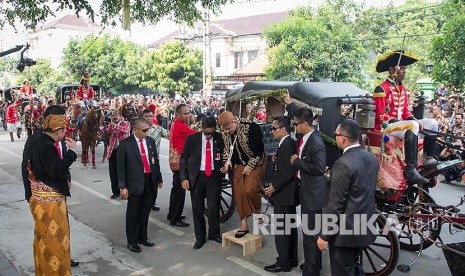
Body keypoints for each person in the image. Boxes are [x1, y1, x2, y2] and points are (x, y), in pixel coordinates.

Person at [21, 105, 81, 268]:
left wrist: (66, 179)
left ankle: (63, 258)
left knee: (57, 235)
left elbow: (58, 166)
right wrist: (29, 194)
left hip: (55, 192)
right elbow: (28, 166)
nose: (65, 121)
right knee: (50, 238)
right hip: (47, 198)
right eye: (62, 118)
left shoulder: (51, 137)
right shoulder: (39, 140)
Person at [317, 119, 379, 276]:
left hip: (346, 232)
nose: (336, 137)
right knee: (353, 266)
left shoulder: (343, 163)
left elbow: (336, 203)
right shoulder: (371, 157)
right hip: (365, 225)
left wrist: (325, 235)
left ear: (342, 138)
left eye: (336, 134)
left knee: (342, 270)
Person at [373, 50, 439, 184]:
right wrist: (405, 122)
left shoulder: (402, 89)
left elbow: (405, 112)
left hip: (402, 125)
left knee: (432, 123)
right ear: (393, 69)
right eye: (402, 68)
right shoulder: (381, 88)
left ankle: (429, 158)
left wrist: (413, 119)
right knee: (412, 125)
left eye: (405, 68)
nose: (404, 71)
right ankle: (410, 168)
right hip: (386, 127)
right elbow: (380, 116)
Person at [288, 107, 326, 276]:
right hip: (306, 190)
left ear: (304, 124)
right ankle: (313, 264)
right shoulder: (304, 137)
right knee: (310, 233)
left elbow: (319, 168)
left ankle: (311, 271)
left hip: (313, 195)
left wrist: (297, 163)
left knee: (310, 235)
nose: (294, 127)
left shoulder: (315, 141)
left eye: (296, 124)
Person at [118, 119, 163, 253]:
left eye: (148, 129)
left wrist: (158, 178)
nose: (147, 132)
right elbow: (120, 168)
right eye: (144, 130)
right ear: (135, 130)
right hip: (134, 183)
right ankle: (132, 241)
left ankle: (143, 237)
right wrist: (122, 187)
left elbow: (155, 161)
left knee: (145, 212)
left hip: (150, 180)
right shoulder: (125, 144)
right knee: (133, 213)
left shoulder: (150, 141)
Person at [217, 111, 265, 238]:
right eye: (225, 129)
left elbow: (259, 151)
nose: (227, 131)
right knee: (238, 192)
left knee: (249, 189)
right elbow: (227, 151)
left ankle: (257, 212)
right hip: (239, 164)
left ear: (234, 121)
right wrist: (226, 165)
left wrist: (250, 166)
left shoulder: (251, 127)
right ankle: (244, 225)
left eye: (229, 128)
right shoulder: (225, 132)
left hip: (256, 161)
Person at [180, 116, 224, 249]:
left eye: (212, 132)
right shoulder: (192, 139)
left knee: (213, 206)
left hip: (213, 176)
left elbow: (225, 155)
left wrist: (224, 165)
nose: (210, 135)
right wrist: (183, 177)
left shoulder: (219, 138)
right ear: (202, 129)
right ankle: (200, 237)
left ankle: (214, 233)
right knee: (197, 208)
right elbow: (183, 158)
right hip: (197, 177)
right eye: (207, 133)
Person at [264, 116, 299, 272]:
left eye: (274, 128)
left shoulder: (286, 145)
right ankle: (291, 260)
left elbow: (289, 172)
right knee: (290, 228)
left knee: (282, 230)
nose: (272, 131)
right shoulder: (287, 142)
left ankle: (283, 262)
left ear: (283, 129)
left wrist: (274, 187)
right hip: (288, 194)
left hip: (284, 194)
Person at [168, 103, 196, 227]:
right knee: (179, 191)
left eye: (189, 113)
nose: (187, 115)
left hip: (176, 161)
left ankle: (172, 213)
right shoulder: (180, 125)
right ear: (178, 114)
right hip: (180, 162)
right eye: (185, 113)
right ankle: (175, 218)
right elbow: (196, 134)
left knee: (176, 190)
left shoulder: (176, 123)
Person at [142, 108, 169, 211]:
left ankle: (152, 202)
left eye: (150, 116)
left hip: (154, 161)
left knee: (154, 182)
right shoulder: (138, 130)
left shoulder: (158, 129)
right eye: (146, 116)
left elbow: (170, 135)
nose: (148, 118)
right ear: (142, 117)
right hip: (141, 160)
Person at [105, 109, 131, 199]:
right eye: (113, 115)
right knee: (113, 172)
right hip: (113, 150)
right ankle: (115, 192)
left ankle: (126, 190)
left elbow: (126, 131)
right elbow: (106, 133)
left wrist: (114, 126)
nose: (114, 117)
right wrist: (102, 128)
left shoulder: (126, 123)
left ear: (120, 116)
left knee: (123, 171)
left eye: (116, 115)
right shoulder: (111, 125)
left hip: (123, 151)